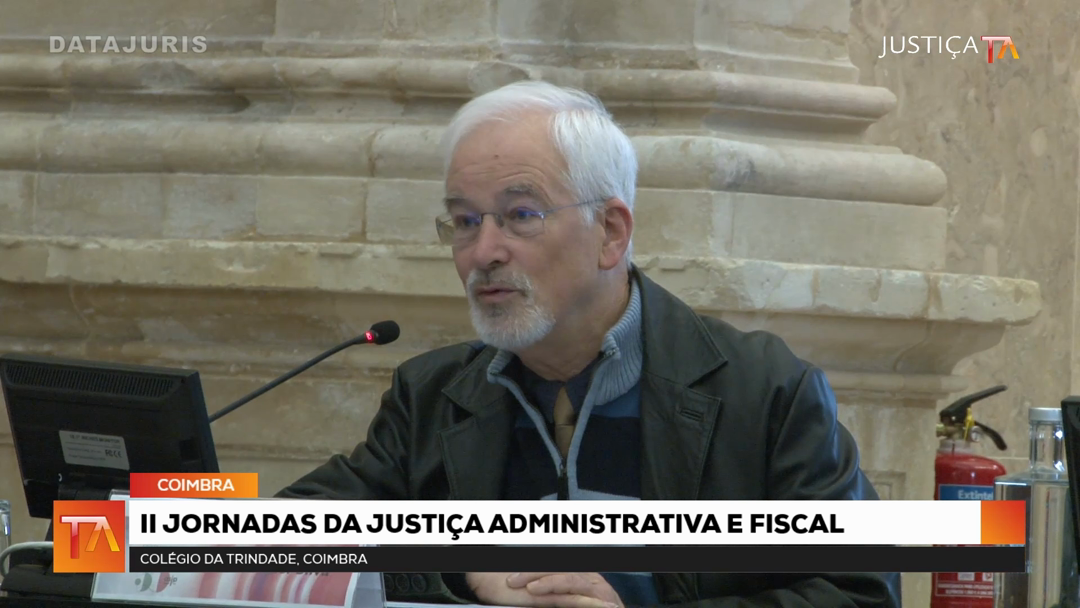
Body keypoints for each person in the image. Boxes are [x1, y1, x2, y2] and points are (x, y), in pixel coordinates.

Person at [276, 80, 902, 608]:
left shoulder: (762, 392)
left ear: (610, 232)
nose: (483, 252)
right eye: (465, 221)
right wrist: (460, 572)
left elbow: (860, 592)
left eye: (521, 215)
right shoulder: (432, 398)